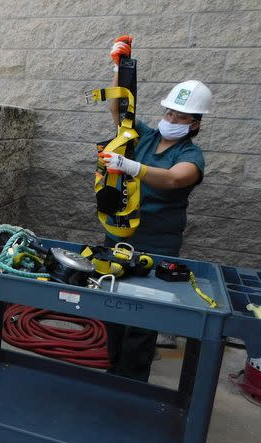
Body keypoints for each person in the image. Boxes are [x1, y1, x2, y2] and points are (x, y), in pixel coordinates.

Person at [100, 35, 211, 381]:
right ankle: (112, 372)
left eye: (181, 114)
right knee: (112, 310)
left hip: (157, 246)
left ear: (194, 123)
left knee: (142, 320)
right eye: (169, 110)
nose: (172, 116)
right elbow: (121, 108)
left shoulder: (190, 156)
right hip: (119, 237)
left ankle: (131, 385)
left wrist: (133, 168)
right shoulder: (145, 136)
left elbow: (176, 180)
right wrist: (120, 68)